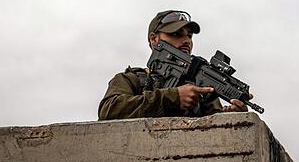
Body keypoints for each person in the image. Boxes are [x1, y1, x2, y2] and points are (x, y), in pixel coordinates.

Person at [98, 10, 250, 120]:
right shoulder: (131, 79)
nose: (186, 40)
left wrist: (229, 117)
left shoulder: (199, 88)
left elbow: (211, 126)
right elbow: (109, 109)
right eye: (176, 34)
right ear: (154, 39)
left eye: (189, 36)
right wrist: (173, 97)